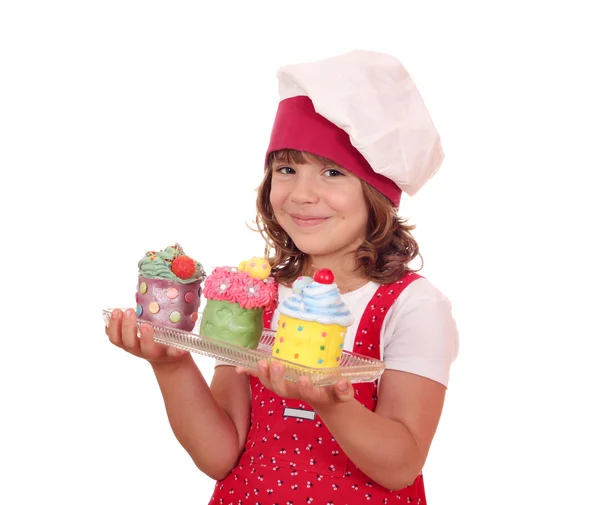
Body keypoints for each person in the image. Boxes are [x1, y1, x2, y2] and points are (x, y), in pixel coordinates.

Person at [106, 49, 459, 504]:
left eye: (332, 172)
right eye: (286, 169)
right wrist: (171, 364)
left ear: (377, 192)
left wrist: (333, 404)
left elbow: (402, 464)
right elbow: (220, 454)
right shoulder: (256, 295)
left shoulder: (412, 306)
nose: (301, 194)